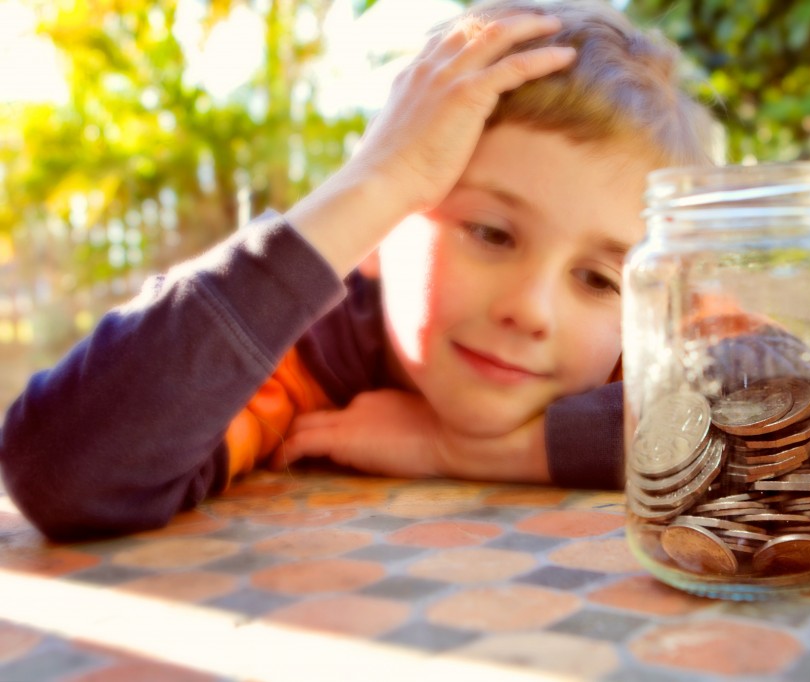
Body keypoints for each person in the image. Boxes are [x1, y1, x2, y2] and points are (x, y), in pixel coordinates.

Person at [0, 0, 720, 540]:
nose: (533, 310)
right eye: (492, 234)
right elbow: (64, 472)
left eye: (597, 279)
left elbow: (807, 435)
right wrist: (373, 182)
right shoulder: (293, 350)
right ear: (380, 226)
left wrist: (465, 448)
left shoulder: (649, 335)